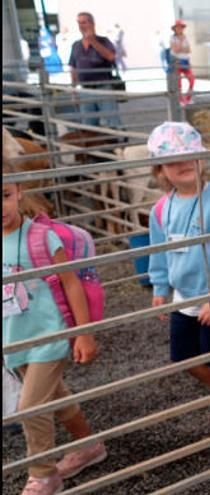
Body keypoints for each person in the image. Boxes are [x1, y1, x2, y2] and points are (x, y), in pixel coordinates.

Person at [2, 156, 105, 495]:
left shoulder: (42, 238)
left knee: (31, 406)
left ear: (19, 193)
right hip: (15, 340)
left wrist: (83, 333)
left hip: (51, 335)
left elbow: (71, 283)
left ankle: (44, 475)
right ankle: (90, 445)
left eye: (4, 194)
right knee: (55, 396)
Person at [147, 122, 210, 447]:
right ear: (161, 169)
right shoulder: (161, 209)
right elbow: (159, 251)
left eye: (189, 155)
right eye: (172, 159)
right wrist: (160, 288)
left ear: (202, 158)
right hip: (184, 296)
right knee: (185, 359)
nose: (183, 163)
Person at [68, 12, 121, 128]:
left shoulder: (104, 41)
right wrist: (73, 90)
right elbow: (73, 68)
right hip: (85, 90)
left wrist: (92, 41)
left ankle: (119, 143)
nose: (81, 26)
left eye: (84, 22)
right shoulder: (76, 45)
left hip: (104, 88)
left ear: (92, 24)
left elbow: (111, 57)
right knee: (89, 125)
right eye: (79, 23)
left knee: (113, 122)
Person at [169, 20, 196, 105]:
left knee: (192, 79)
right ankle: (181, 100)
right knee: (178, 81)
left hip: (186, 61)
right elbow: (175, 50)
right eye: (179, 27)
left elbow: (189, 50)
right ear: (175, 29)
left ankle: (188, 98)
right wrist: (180, 42)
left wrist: (181, 48)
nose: (180, 29)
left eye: (182, 27)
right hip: (177, 61)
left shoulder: (185, 37)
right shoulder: (172, 38)